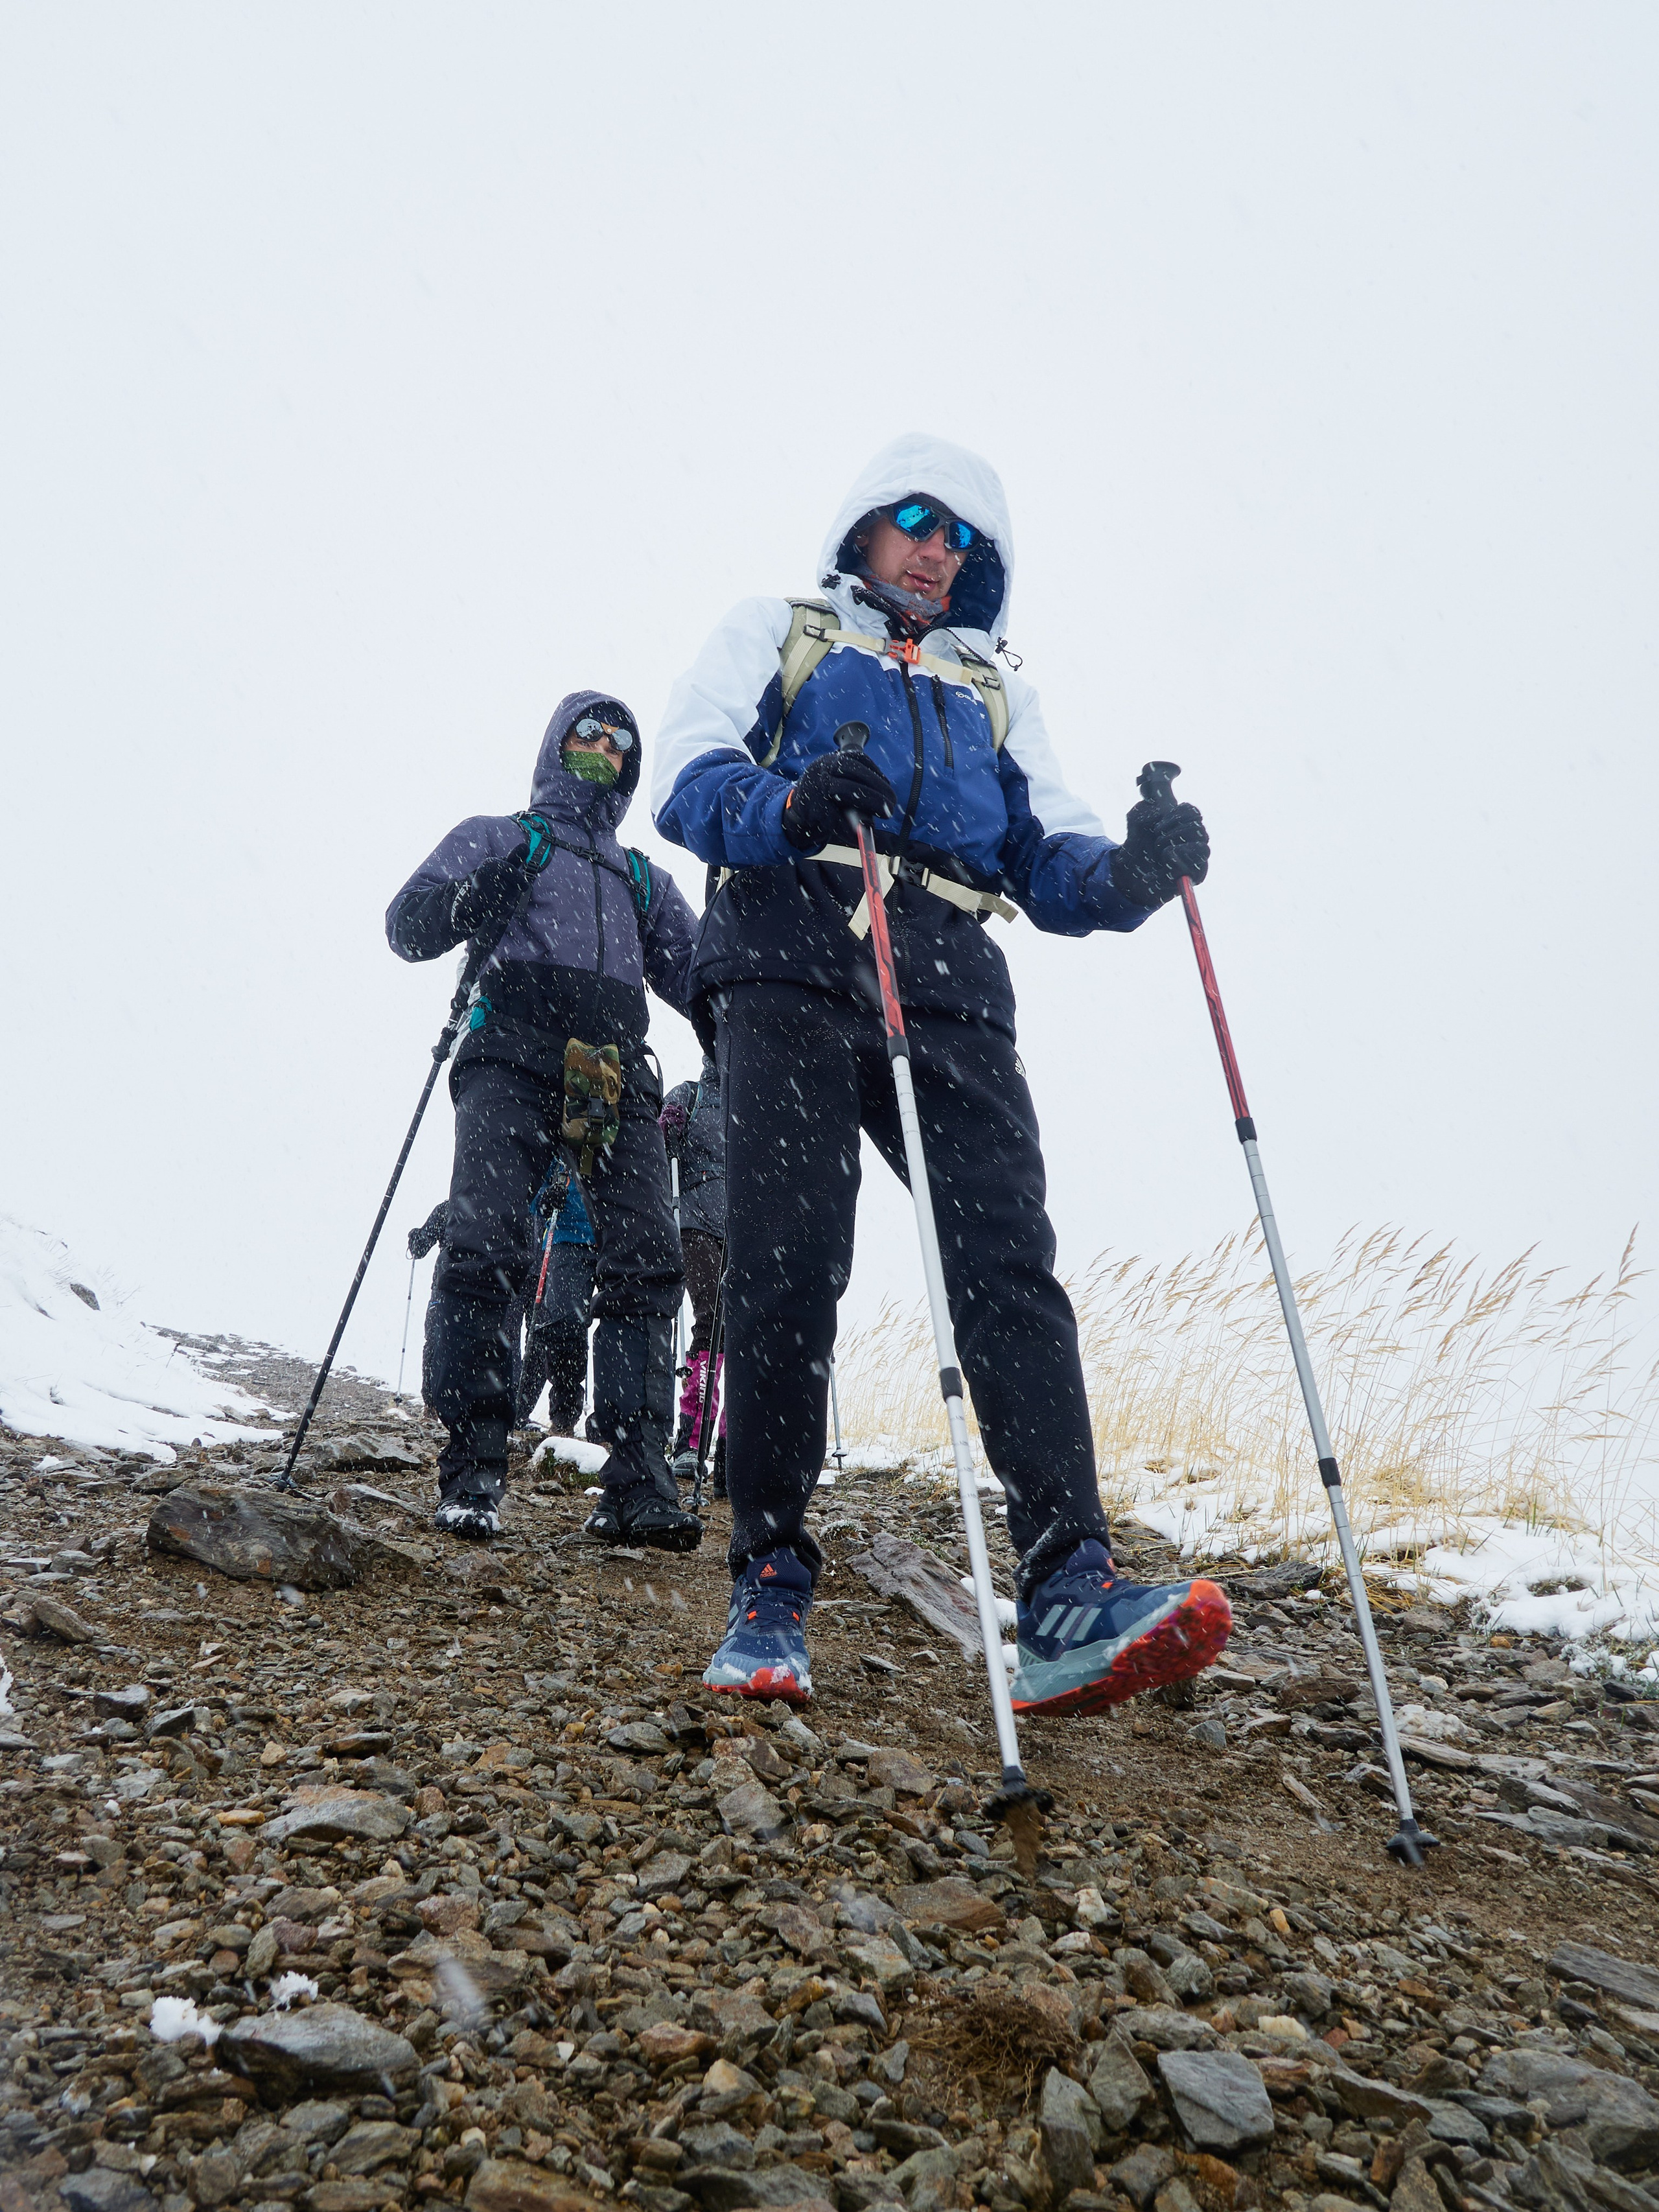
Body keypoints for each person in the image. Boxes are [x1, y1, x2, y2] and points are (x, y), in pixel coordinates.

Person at [653, 433, 1231, 1709]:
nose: (934, 546)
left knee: (1003, 1261)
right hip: (789, 936)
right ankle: (768, 1583)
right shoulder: (781, 630)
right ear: (862, 524)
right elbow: (690, 776)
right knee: (789, 1255)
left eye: (960, 536)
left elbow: (1054, 851)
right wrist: (793, 802)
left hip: (949, 965)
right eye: (914, 518)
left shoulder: (990, 688)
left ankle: (1067, 1582)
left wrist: (1136, 870)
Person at [387, 692, 704, 1552]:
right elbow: (407, 925)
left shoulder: (643, 878)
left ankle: (638, 1479)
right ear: (558, 745)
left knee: (644, 1259)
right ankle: (475, 1464)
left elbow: (706, 982)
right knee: (489, 1243)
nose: (607, 747)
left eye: (621, 739)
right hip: (511, 1054)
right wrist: (467, 902)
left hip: (611, 1071)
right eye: (590, 733)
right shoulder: (504, 838)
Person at [658, 1053, 726, 1487]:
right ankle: (691, 1442)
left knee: (740, 1331)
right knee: (712, 1319)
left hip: (739, 1227)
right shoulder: (690, 1094)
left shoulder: (748, 1101)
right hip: (697, 1224)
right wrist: (666, 1132)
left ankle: (728, 1454)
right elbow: (660, 1146)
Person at [518, 1170, 597, 1436]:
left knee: (612, 1324)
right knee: (566, 1326)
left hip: (605, 1235)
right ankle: (564, 1419)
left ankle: (607, 1418)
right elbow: (533, 1195)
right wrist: (544, 1200)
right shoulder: (559, 1138)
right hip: (572, 1238)